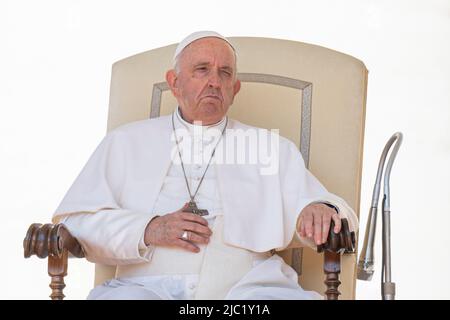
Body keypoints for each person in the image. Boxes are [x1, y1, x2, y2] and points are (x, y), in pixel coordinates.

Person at [53, 31, 358, 300]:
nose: (215, 81)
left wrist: (321, 209)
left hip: (251, 289)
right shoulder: (125, 142)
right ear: (174, 82)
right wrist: (148, 228)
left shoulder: (270, 147)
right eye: (202, 70)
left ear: (235, 89)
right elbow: (75, 223)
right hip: (146, 288)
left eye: (225, 73)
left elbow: (321, 206)